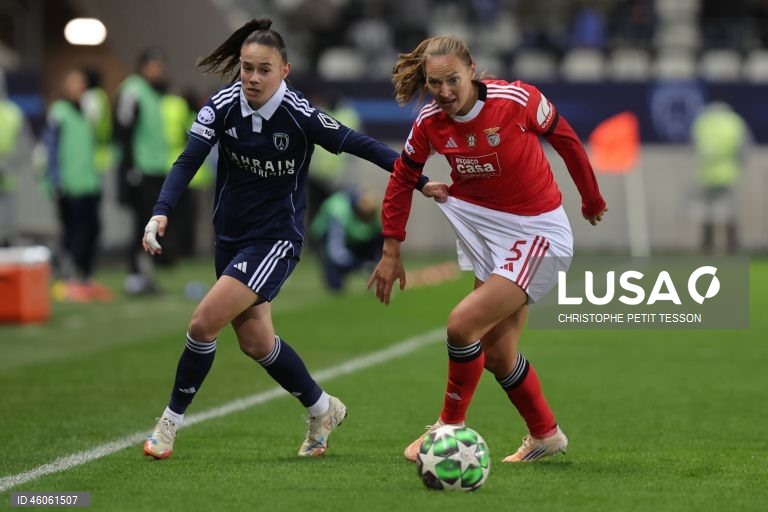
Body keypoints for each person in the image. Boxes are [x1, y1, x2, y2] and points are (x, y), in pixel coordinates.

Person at [140, 18, 447, 460]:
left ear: (285, 70)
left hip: (275, 241)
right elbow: (188, 160)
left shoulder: (300, 115)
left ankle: (168, 426)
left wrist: (420, 182)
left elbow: (361, 144)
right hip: (229, 238)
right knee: (256, 343)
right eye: (247, 68)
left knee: (203, 323)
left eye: (264, 69)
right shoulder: (222, 106)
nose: (252, 77)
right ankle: (324, 409)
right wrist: (160, 211)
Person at [367, 36, 607, 463]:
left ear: (472, 70)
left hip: (539, 233)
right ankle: (545, 435)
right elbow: (403, 177)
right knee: (497, 354)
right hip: (488, 234)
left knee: (461, 324)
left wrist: (590, 197)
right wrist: (391, 250)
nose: (444, 92)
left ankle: (448, 427)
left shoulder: (517, 100)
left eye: (452, 81)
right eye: (434, 83)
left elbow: (567, 140)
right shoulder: (428, 122)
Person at [41, 69, 111, 303]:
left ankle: (86, 275)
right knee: (73, 232)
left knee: (93, 230)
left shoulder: (88, 111)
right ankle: (68, 276)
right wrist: (55, 179)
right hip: (69, 183)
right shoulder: (59, 112)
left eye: (81, 83)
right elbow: (50, 148)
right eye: (73, 83)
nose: (78, 87)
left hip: (89, 181)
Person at [115, 47, 169, 295]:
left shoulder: (152, 93)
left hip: (155, 167)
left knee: (150, 224)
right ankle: (136, 275)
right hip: (141, 168)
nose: (159, 71)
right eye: (155, 65)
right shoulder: (133, 90)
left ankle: (145, 274)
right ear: (144, 65)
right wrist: (129, 168)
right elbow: (124, 131)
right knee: (141, 224)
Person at [690, 101, 749, 254]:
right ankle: (732, 245)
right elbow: (743, 147)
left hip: (706, 174)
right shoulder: (734, 122)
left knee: (707, 212)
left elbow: (693, 147)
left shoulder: (703, 122)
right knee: (730, 211)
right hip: (728, 173)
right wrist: (740, 166)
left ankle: (707, 246)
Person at [310, 189, 383, 292]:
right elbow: (336, 253)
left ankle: (374, 278)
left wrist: (378, 262)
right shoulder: (338, 213)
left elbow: (379, 237)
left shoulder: (374, 215)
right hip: (327, 241)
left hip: (354, 240)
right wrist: (361, 265)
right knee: (335, 286)